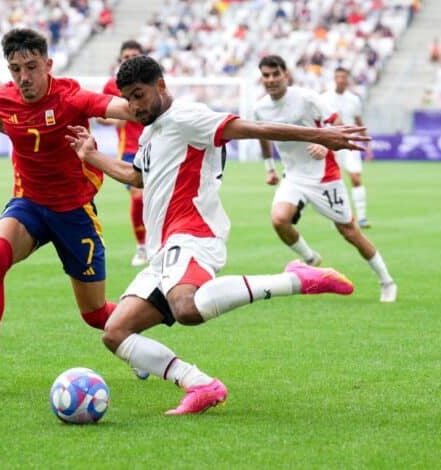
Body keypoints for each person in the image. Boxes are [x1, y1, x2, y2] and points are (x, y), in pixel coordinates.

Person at [64, 55, 367, 415]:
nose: (134, 106)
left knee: (186, 308)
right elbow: (136, 177)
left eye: (140, 95)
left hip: (193, 233)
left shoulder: (188, 117)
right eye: (128, 98)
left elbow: (254, 128)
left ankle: (295, 279)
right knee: (115, 333)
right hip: (164, 250)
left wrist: (321, 135)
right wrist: (90, 156)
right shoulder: (151, 131)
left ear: (161, 86)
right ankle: (200, 384)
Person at [0, 28, 137, 387]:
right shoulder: (3, 100)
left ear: (48, 65)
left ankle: (137, 336)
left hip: (74, 212)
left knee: (96, 315)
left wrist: (155, 107)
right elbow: (2, 122)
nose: (23, 77)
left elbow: (120, 109)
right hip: (30, 205)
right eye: (15, 69)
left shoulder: (71, 96)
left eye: (31, 67)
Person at [253, 55, 396, 303]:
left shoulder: (306, 98)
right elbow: (263, 136)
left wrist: (326, 145)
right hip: (294, 176)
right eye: (266, 75)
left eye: (276, 74)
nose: (271, 80)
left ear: (286, 75)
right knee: (279, 220)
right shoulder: (260, 107)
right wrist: (269, 167)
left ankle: (386, 281)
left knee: (350, 232)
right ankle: (310, 259)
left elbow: (339, 124)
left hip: (323, 176)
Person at [97, 40, 147, 266]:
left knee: (159, 200)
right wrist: (112, 120)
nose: (129, 60)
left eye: (134, 56)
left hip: (156, 147)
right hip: (129, 150)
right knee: (139, 195)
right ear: (120, 60)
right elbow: (98, 114)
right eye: (126, 57)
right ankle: (142, 247)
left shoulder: (152, 83)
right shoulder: (111, 85)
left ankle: (160, 243)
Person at [321, 67, 373, 228]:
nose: (340, 80)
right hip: (330, 144)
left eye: (343, 77)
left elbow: (359, 122)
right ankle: (337, 217)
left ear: (348, 79)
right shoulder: (324, 98)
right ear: (334, 79)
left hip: (350, 144)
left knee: (356, 178)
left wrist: (367, 146)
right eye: (338, 77)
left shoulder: (354, 100)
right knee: (332, 182)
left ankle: (362, 217)